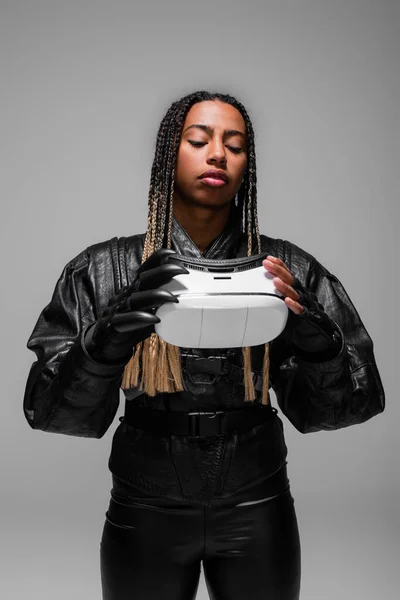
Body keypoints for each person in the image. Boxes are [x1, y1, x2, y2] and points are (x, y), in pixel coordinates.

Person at [23, 90, 385, 600]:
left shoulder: (283, 272)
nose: (217, 153)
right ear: (170, 152)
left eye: (234, 146)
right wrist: (104, 340)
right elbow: (50, 412)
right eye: (199, 140)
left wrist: (319, 345)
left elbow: (351, 406)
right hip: (144, 504)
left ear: (246, 166)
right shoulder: (103, 270)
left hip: (257, 503)